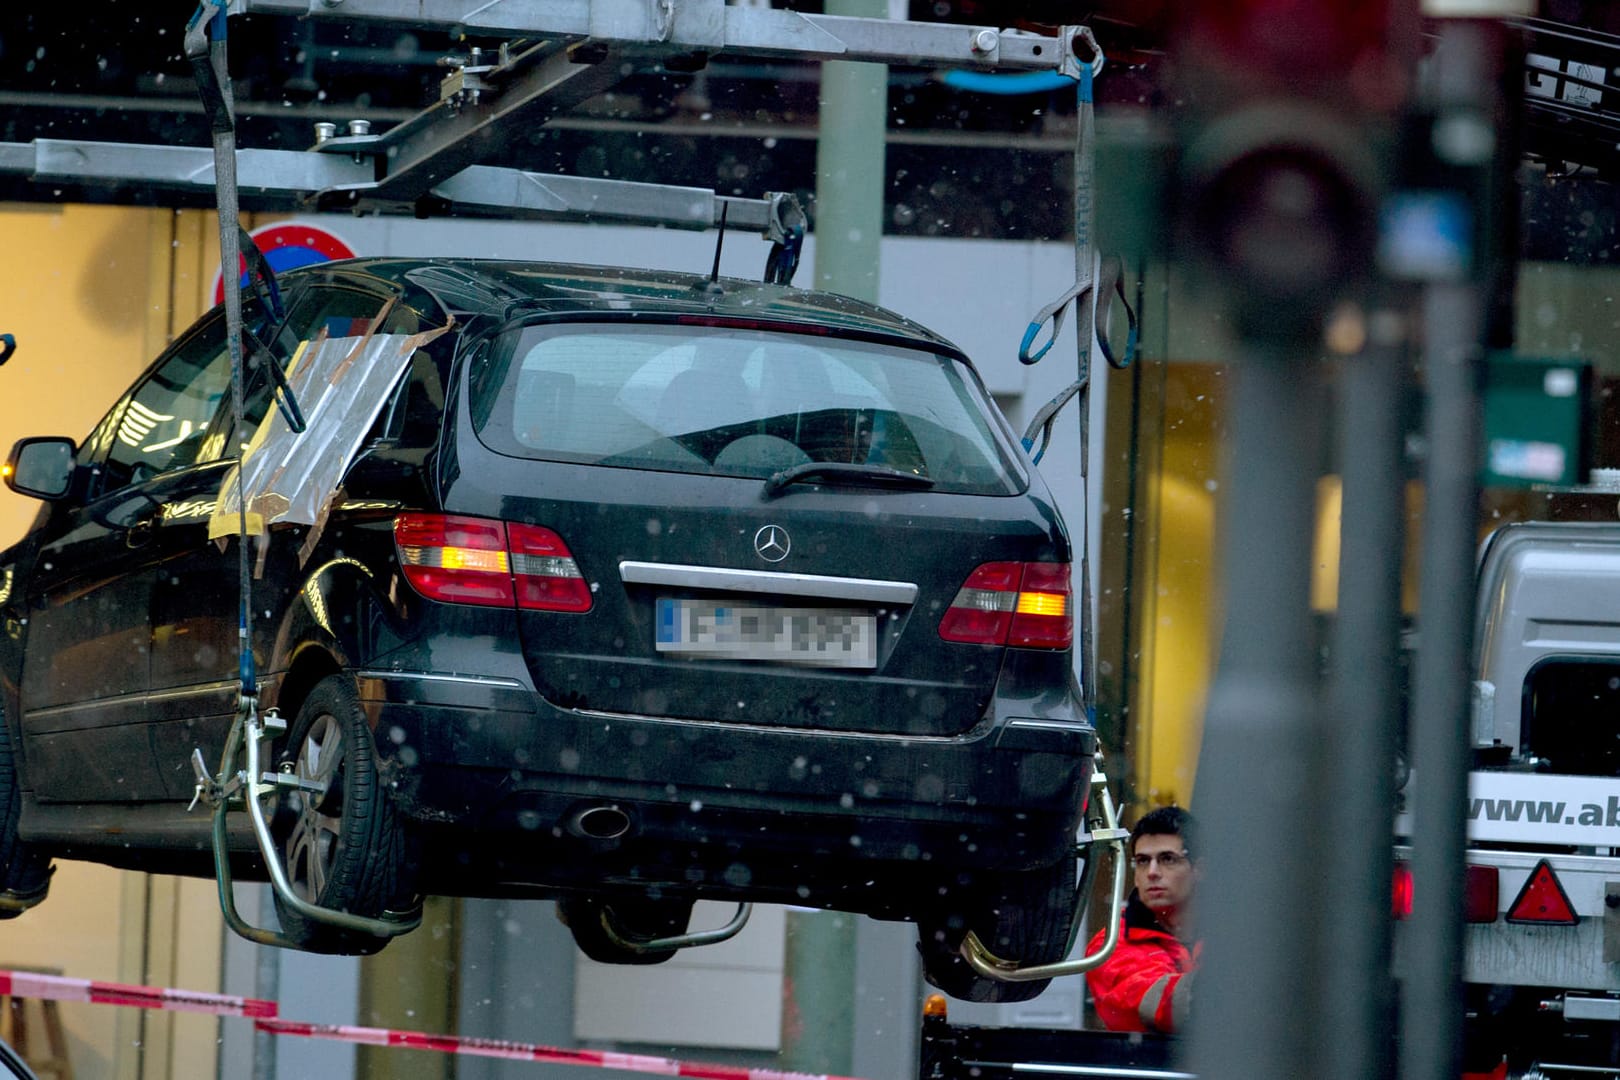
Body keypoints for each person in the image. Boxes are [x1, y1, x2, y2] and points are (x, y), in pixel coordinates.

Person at [1085, 805, 1200, 1034]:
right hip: (1154, 1065)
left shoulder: (1233, 930)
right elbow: (1162, 1007)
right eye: (1143, 861)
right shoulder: (1109, 944)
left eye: (1168, 859)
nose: (1152, 872)